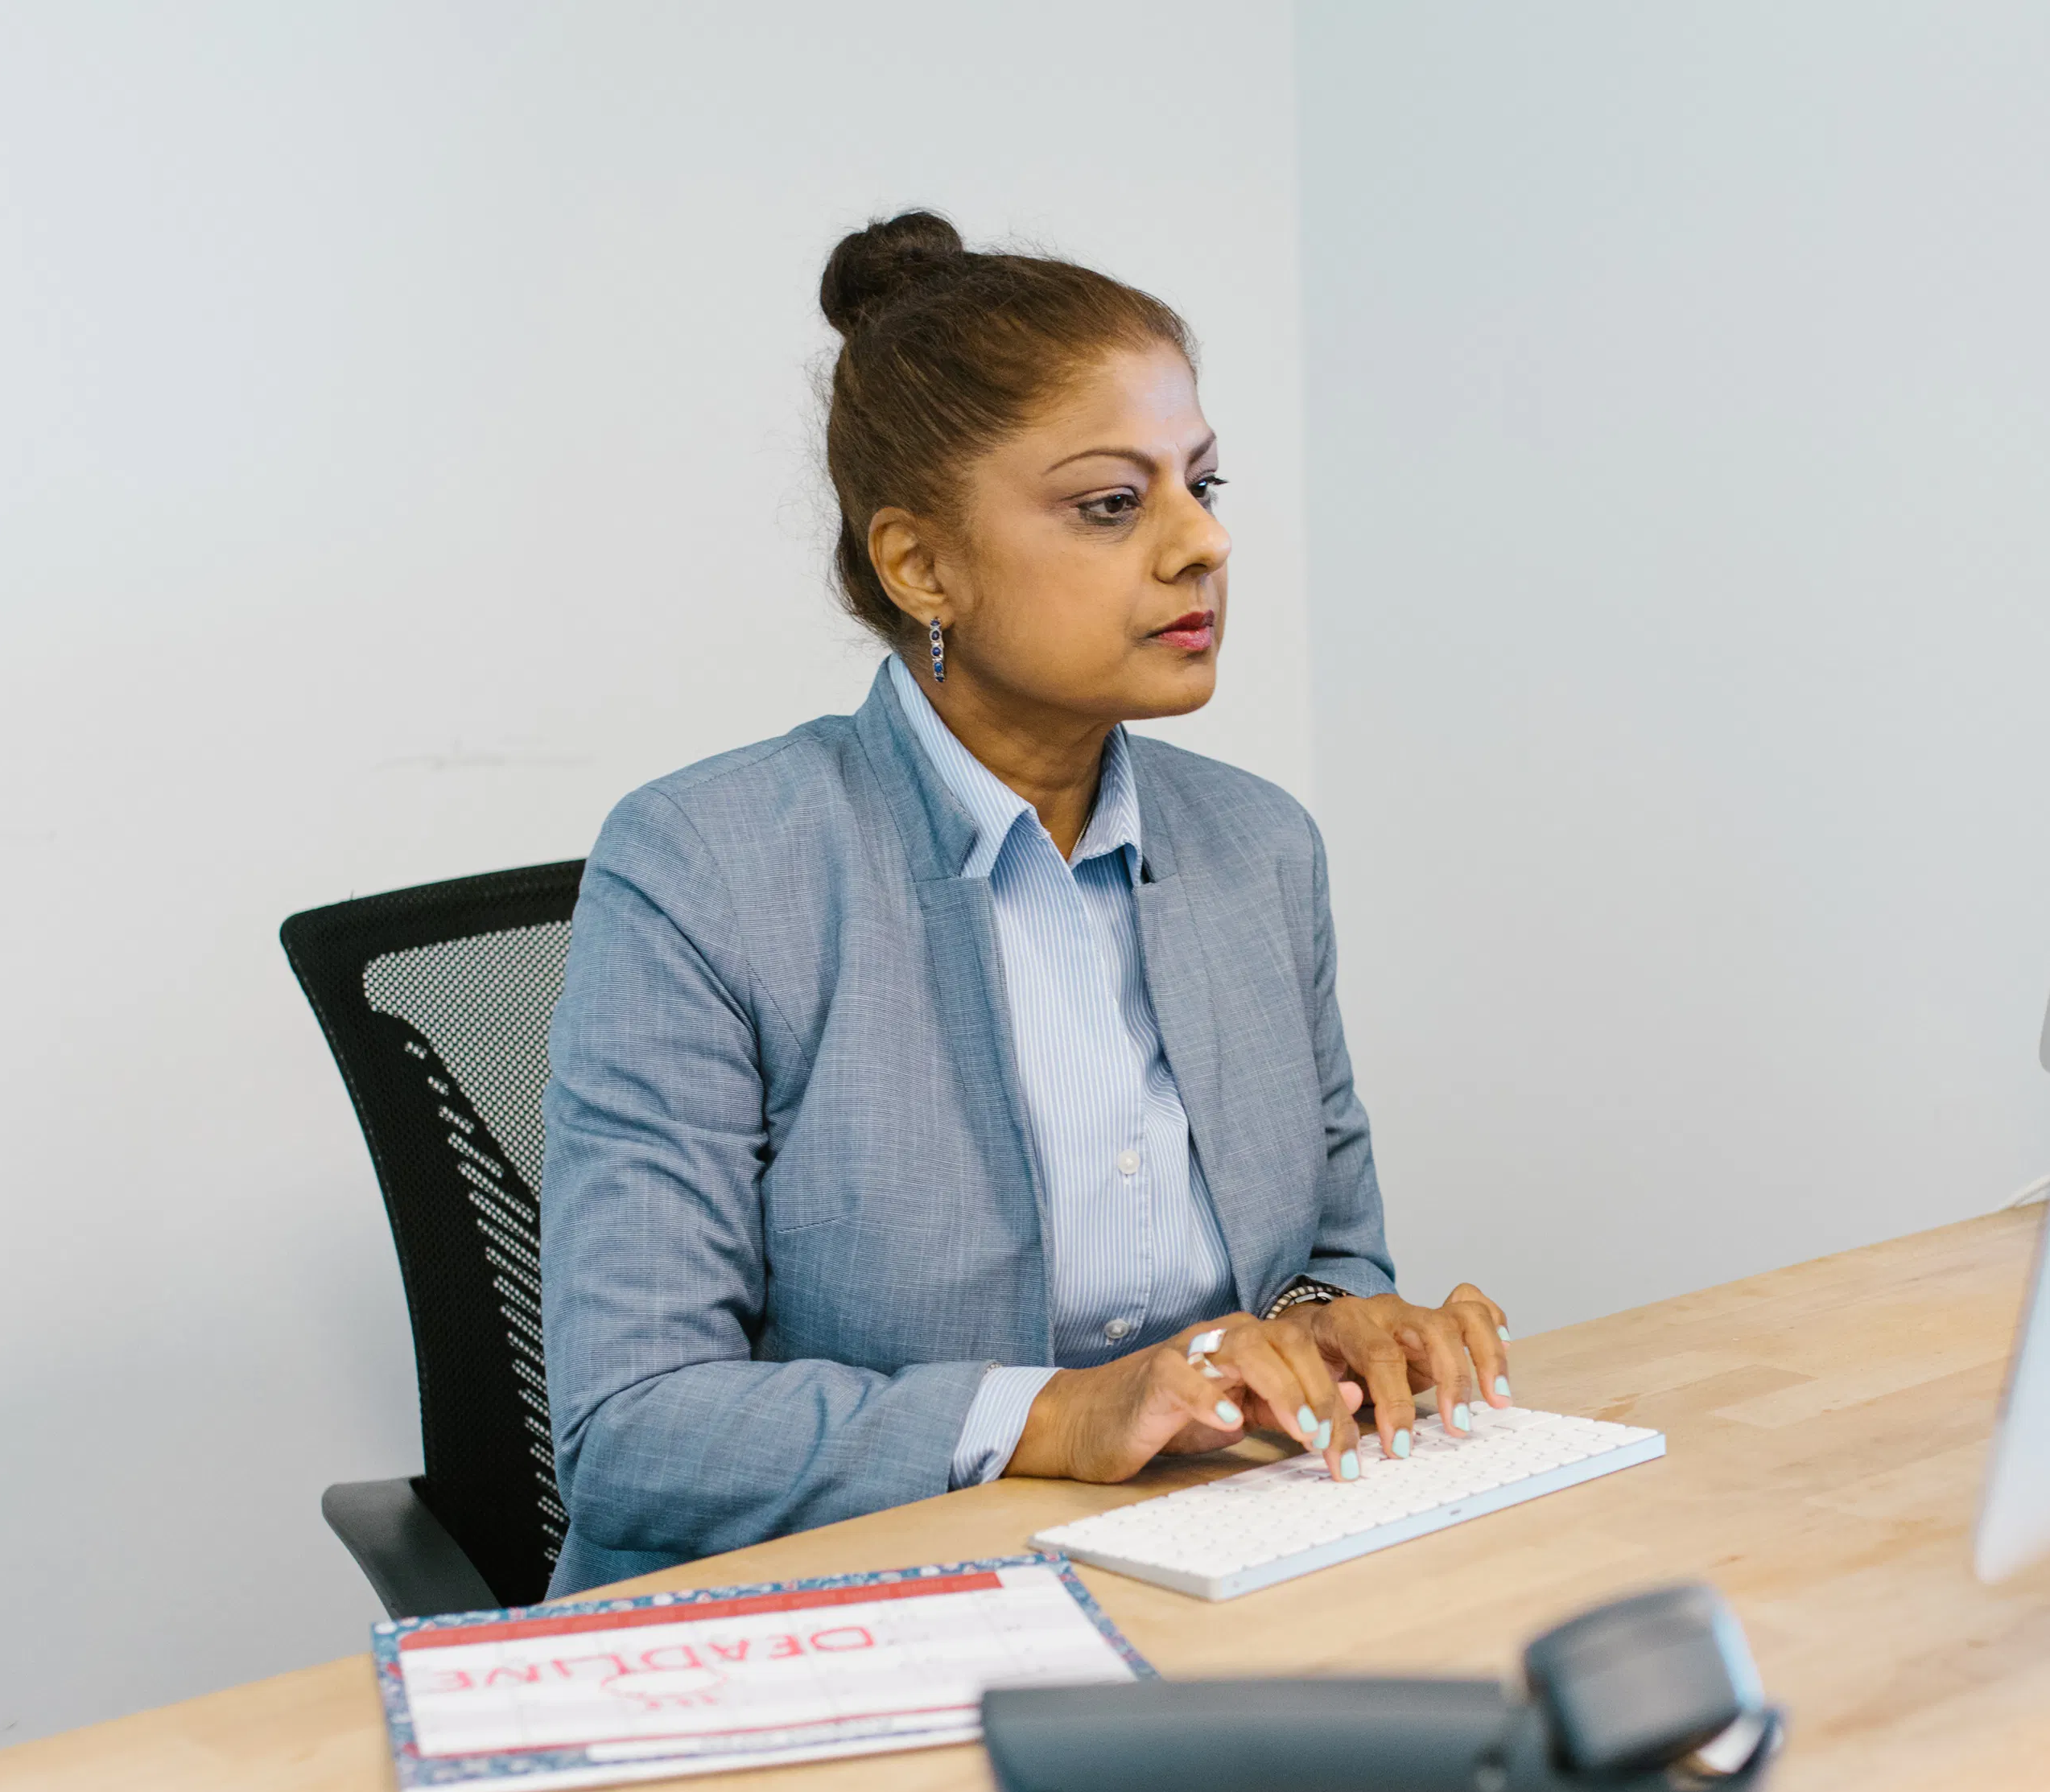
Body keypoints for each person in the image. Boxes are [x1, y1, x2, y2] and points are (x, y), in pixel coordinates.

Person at [539, 211, 1508, 1595]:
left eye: (1204, 487)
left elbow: (1326, 1251)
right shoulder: (709, 867)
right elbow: (635, 1428)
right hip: (839, 1615)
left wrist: (1335, 1331)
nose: (1200, 548)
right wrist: (1065, 1413)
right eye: (1114, 504)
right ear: (922, 566)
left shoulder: (1260, 851)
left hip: (1197, 1570)